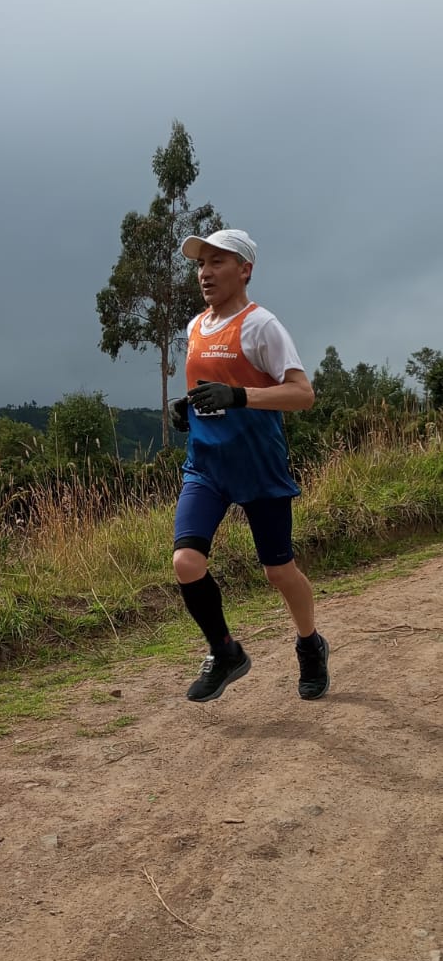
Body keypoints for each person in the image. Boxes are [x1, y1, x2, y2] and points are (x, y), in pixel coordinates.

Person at [170, 227, 329, 703]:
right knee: (186, 562)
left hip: (258, 468)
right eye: (201, 264)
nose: (205, 272)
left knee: (279, 572)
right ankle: (225, 652)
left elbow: (302, 394)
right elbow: (210, 388)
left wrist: (239, 396)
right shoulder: (195, 328)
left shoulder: (261, 326)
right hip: (207, 466)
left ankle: (310, 644)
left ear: (245, 270)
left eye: (217, 262)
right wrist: (188, 408)